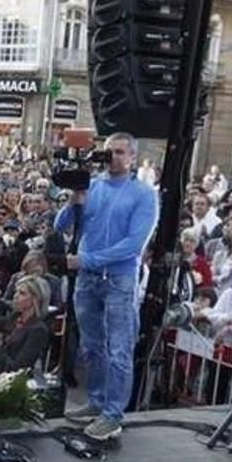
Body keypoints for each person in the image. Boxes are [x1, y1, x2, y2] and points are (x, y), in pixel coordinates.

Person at [54, 133, 159, 441]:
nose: (113, 157)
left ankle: (113, 414)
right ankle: (96, 401)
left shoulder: (144, 195)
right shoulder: (93, 186)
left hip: (119, 279)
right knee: (90, 345)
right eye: (109, 151)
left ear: (132, 157)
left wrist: (85, 259)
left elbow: (133, 245)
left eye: (120, 152)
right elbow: (61, 225)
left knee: (119, 349)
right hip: (87, 280)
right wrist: (75, 197)